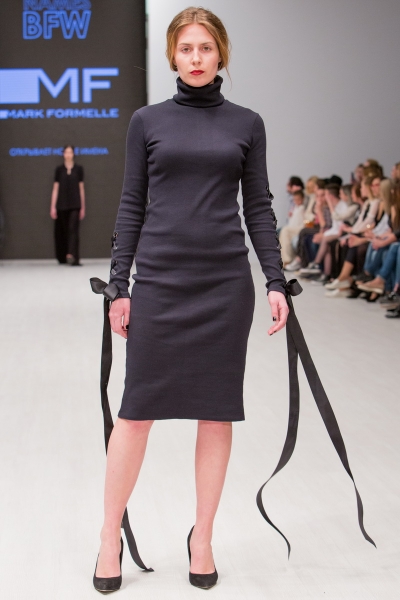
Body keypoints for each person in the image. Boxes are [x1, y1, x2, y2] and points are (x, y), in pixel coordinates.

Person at [93, 7, 289, 594]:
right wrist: (119, 285)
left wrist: (275, 280)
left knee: (216, 412)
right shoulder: (147, 121)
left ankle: (202, 537)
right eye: (186, 48)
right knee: (135, 414)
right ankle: (108, 536)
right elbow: (131, 203)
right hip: (160, 283)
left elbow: (258, 205)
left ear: (220, 52)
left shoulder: (247, 123)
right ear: (172, 55)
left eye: (206, 47)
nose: (196, 58)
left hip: (224, 286)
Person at [50, 145, 85, 266]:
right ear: (63, 154)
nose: (68, 154)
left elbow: (81, 188)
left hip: (75, 204)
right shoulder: (59, 170)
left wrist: (83, 206)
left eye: (70, 152)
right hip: (62, 204)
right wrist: (53, 206)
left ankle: (73, 255)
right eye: (66, 152)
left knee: (73, 229)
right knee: (64, 230)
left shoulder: (78, 169)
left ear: (73, 154)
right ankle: (64, 256)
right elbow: (55, 189)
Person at [279, 189, 305, 266]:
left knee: (285, 231)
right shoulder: (295, 208)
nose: (296, 201)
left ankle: (288, 259)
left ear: (302, 199)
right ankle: (284, 259)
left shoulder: (303, 208)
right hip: (293, 228)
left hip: (300, 228)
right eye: (295, 199)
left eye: (298, 199)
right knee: (282, 234)